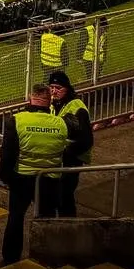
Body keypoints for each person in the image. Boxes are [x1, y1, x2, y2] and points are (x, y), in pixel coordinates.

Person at [0, 84, 70, 265]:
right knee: (46, 219)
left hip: (22, 178)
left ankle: (10, 259)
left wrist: (6, 177)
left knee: (15, 217)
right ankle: (46, 258)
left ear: (30, 97)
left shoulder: (16, 120)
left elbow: (7, 153)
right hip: (49, 180)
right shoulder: (60, 123)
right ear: (49, 101)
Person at [48, 70, 94, 217]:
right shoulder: (53, 104)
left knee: (65, 196)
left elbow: (86, 140)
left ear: (67, 88)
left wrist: (67, 153)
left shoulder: (77, 107)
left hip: (71, 160)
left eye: (58, 88)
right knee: (58, 195)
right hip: (58, 160)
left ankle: (68, 227)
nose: (54, 91)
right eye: (52, 87)